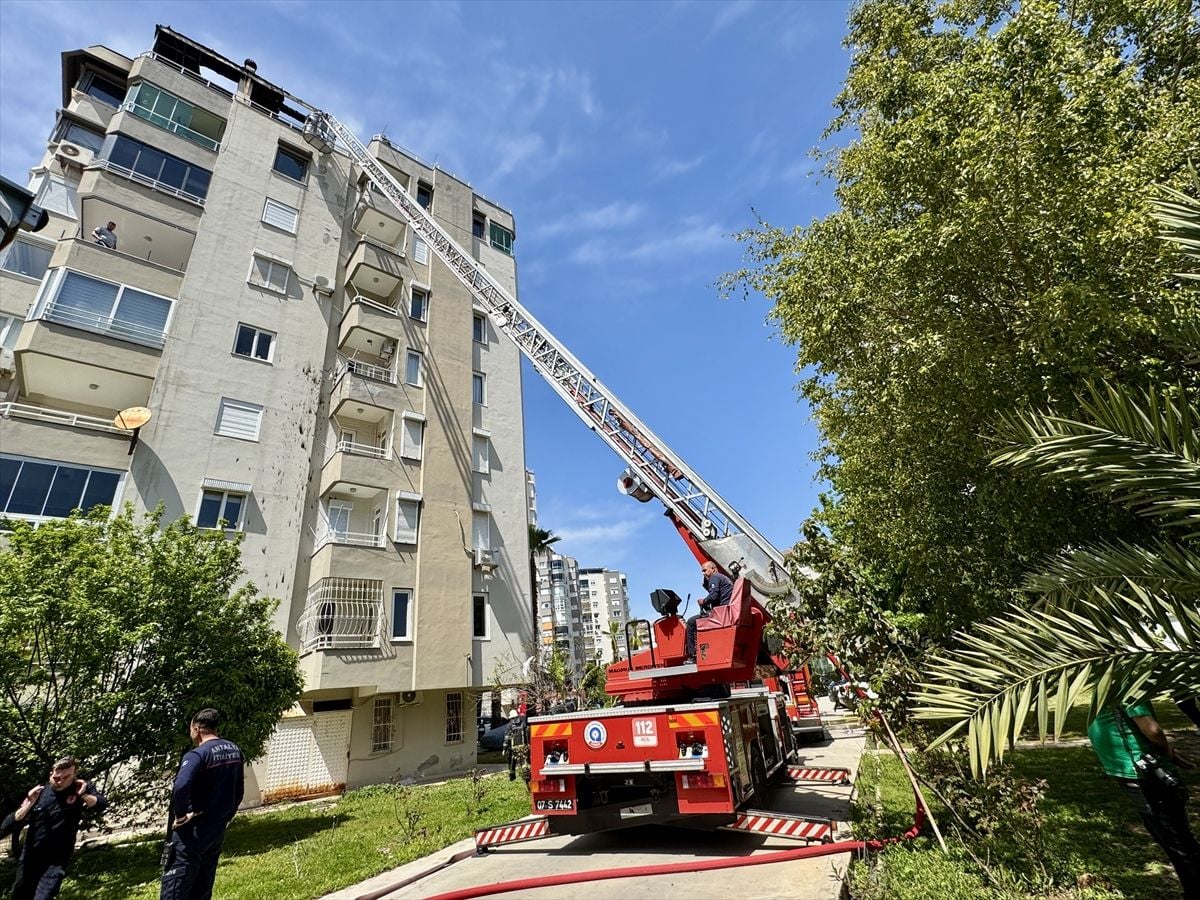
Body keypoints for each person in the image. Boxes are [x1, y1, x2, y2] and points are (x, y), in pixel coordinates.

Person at [1087, 697, 1200, 895]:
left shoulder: (1127, 679)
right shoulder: (1108, 679)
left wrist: (1168, 752)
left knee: (1177, 841)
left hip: (1147, 773)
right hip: (1132, 773)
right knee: (1168, 837)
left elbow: (1152, 730)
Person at [160, 709, 244, 900]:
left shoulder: (197, 755)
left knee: (176, 887)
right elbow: (238, 790)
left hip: (191, 833)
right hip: (216, 830)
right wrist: (226, 817)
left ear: (196, 729)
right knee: (202, 887)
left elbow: (180, 786)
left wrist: (181, 816)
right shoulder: (235, 750)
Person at [2, 756, 107, 900]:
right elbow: (9, 823)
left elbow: (101, 804)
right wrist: (29, 803)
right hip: (31, 855)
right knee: (20, 895)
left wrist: (82, 795)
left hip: (57, 859)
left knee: (44, 896)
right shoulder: (40, 792)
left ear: (74, 775)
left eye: (66, 777)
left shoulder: (81, 788)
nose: (61, 781)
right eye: (57, 777)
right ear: (51, 773)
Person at [684, 561, 733, 663]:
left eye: (705, 570)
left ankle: (693, 655)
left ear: (713, 569)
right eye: (702, 571)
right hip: (724, 611)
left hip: (720, 613)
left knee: (691, 622)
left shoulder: (715, 577)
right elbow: (715, 595)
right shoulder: (722, 578)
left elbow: (713, 596)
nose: (703, 573)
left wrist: (703, 601)